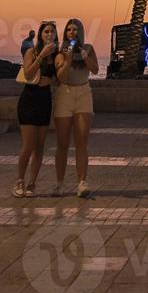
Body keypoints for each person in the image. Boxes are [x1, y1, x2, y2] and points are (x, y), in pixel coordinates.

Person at [53, 18, 98, 198]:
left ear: (80, 32)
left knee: (82, 141)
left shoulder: (88, 48)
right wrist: (68, 59)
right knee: (62, 143)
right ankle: (60, 183)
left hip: (84, 94)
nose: (72, 32)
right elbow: (61, 77)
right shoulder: (61, 52)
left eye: (75, 29)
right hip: (65, 93)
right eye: (69, 30)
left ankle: (82, 182)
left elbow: (95, 70)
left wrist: (84, 57)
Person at [15, 20, 58, 198]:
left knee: (40, 146)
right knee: (28, 145)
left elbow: (60, 76)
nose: (49, 35)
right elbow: (28, 74)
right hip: (29, 99)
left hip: (45, 100)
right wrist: (41, 56)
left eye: (52, 32)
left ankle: (32, 183)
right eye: (46, 32)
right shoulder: (32, 51)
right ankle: (19, 181)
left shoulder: (56, 55)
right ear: (40, 34)